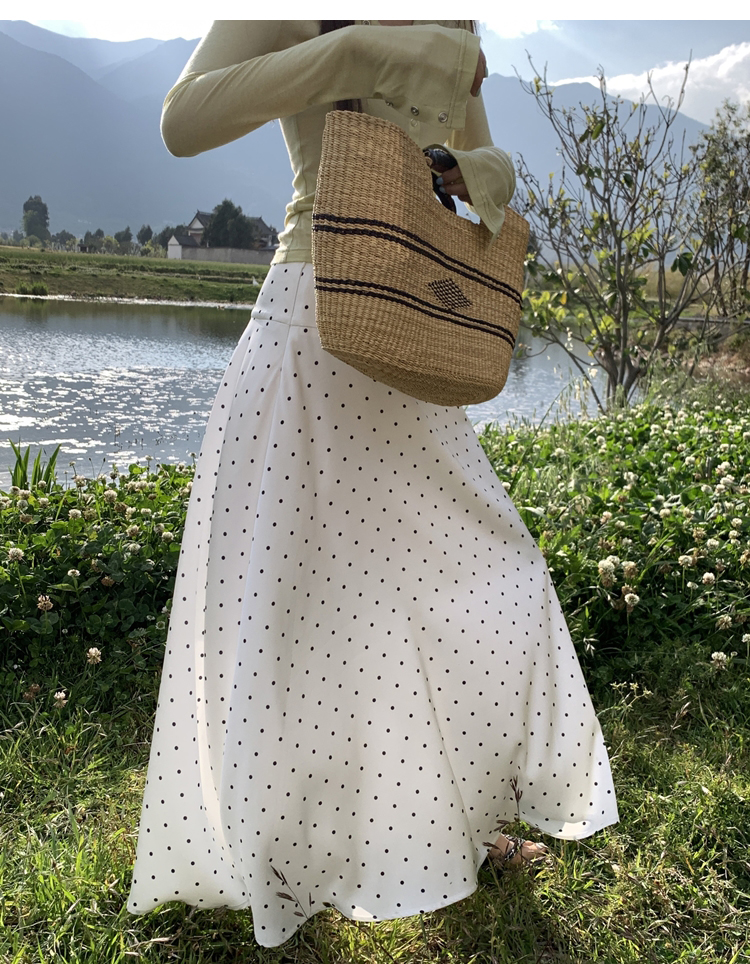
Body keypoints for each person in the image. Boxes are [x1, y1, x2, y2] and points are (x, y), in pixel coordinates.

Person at [127, 21, 618, 948]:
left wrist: (468, 170)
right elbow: (182, 122)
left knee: (485, 565)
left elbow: (484, 156)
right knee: (293, 607)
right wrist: (357, 50)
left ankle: (464, 819)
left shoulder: (453, 18)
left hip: (405, 318)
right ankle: (279, 853)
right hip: (311, 316)